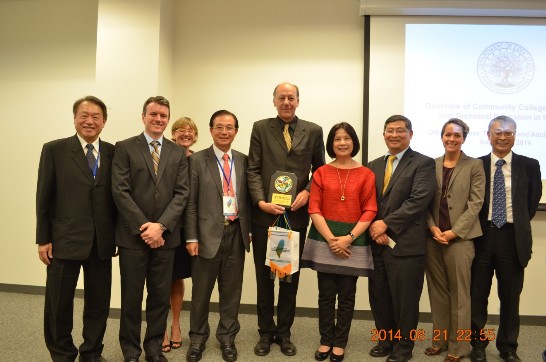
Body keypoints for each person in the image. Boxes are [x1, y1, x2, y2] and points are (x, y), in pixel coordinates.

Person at [247, 82, 325, 357]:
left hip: (296, 216)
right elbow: (253, 169)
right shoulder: (260, 127)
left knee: (289, 278)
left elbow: (320, 170)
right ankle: (265, 333)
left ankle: (284, 333)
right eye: (282, 97)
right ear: (274, 101)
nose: (286, 102)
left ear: (298, 101)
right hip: (265, 216)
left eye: (291, 97)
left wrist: (307, 191)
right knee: (265, 277)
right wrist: (259, 201)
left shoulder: (313, 130)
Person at [36, 95, 116, 362]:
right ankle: (62, 353)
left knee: (98, 304)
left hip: (101, 242)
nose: (89, 121)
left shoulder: (113, 152)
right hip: (63, 241)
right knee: (59, 304)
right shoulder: (54, 150)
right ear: (74, 119)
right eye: (84, 115)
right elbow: (43, 197)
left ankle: (92, 352)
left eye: (96, 116)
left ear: (104, 121)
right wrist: (43, 238)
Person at [112, 96, 189, 362]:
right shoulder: (124, 148)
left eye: (163, 116)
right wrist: (146, 228)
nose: (158, 119)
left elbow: (182, 194)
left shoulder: (177, 152)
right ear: (143, 116)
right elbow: (120, 191)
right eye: (153, 114)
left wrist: (161, 227)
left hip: (166, 238)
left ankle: (154, 349)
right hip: (133, 238)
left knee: (158, 298)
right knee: (131, 299)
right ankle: (131, 351)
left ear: (168, 119)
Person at [301, 122, 377, 362]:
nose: (342, 143)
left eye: (346, 138)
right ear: (331, 144)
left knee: (346, 295)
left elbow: (370, 209)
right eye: (337, 139)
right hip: (324, 237)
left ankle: (340, 342)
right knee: (325, 294)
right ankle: (326, 340)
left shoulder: (366, 174)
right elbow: (314, 208)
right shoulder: (321, 172)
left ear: (353, 142)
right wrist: (332, 240)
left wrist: (348, 238)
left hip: (353, 240)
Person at [470, 115, 542, 362]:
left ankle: (508, 347)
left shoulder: (530, 165)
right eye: (497, 132)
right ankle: (477, 345)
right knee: (477, 295)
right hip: (481, 236)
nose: (503, 136)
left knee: (510, 297)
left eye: (508, 132)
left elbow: (530, 204)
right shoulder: (476, 164)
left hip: (513, 239)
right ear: (488, 135)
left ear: (515, 135)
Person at [184, 110, 252, 362]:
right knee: (201, 292)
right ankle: (198, 339)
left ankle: (227, 337)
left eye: (229, 127)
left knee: (232, 291)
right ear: (211, 130)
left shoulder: (244, 160)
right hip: (204, 236)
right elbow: (190, 203)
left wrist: (250, 230)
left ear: (236, 131)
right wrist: (191, 238)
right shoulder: (197, 160)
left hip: (236, 233)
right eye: (219, 127)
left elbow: (249, 199)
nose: (224, 132)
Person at [367, 114, 436, 362]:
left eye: (400, 130)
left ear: (410, 134)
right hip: (376, 242)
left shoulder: (423, 163)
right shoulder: (373, 165)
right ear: (383, 134)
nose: (394, 135)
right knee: (379, 295)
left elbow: (418, 201)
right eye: (389, 130)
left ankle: (404, 347)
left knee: (405, 300)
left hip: (406, 244)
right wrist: (375, 229)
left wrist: (385, 224)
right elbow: (367, 201)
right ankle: (385, 339)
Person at [424, 119, 485, 362]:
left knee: (460, 295)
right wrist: (432, 228)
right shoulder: (431, 165)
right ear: (441, 137)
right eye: (448, 134)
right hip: (433, 238)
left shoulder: (475, 165)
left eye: (457, 135)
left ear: (464, 138)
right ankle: (438, 340)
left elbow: (475, 203)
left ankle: (458, 348)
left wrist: (454, 232)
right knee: (437, 293)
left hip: (460, 240)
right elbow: (425, 201)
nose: (452, 139)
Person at [162, 117, 199, 353]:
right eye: (180, 130)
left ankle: (176, 325)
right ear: (172, 134)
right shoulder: (165, 156)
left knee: (177, 278)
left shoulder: (199, 159)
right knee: (159, 280)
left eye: (190, 130)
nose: (185, 133)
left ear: (195, 135)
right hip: (167, 226)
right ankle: (160, 330)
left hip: (190, 229)